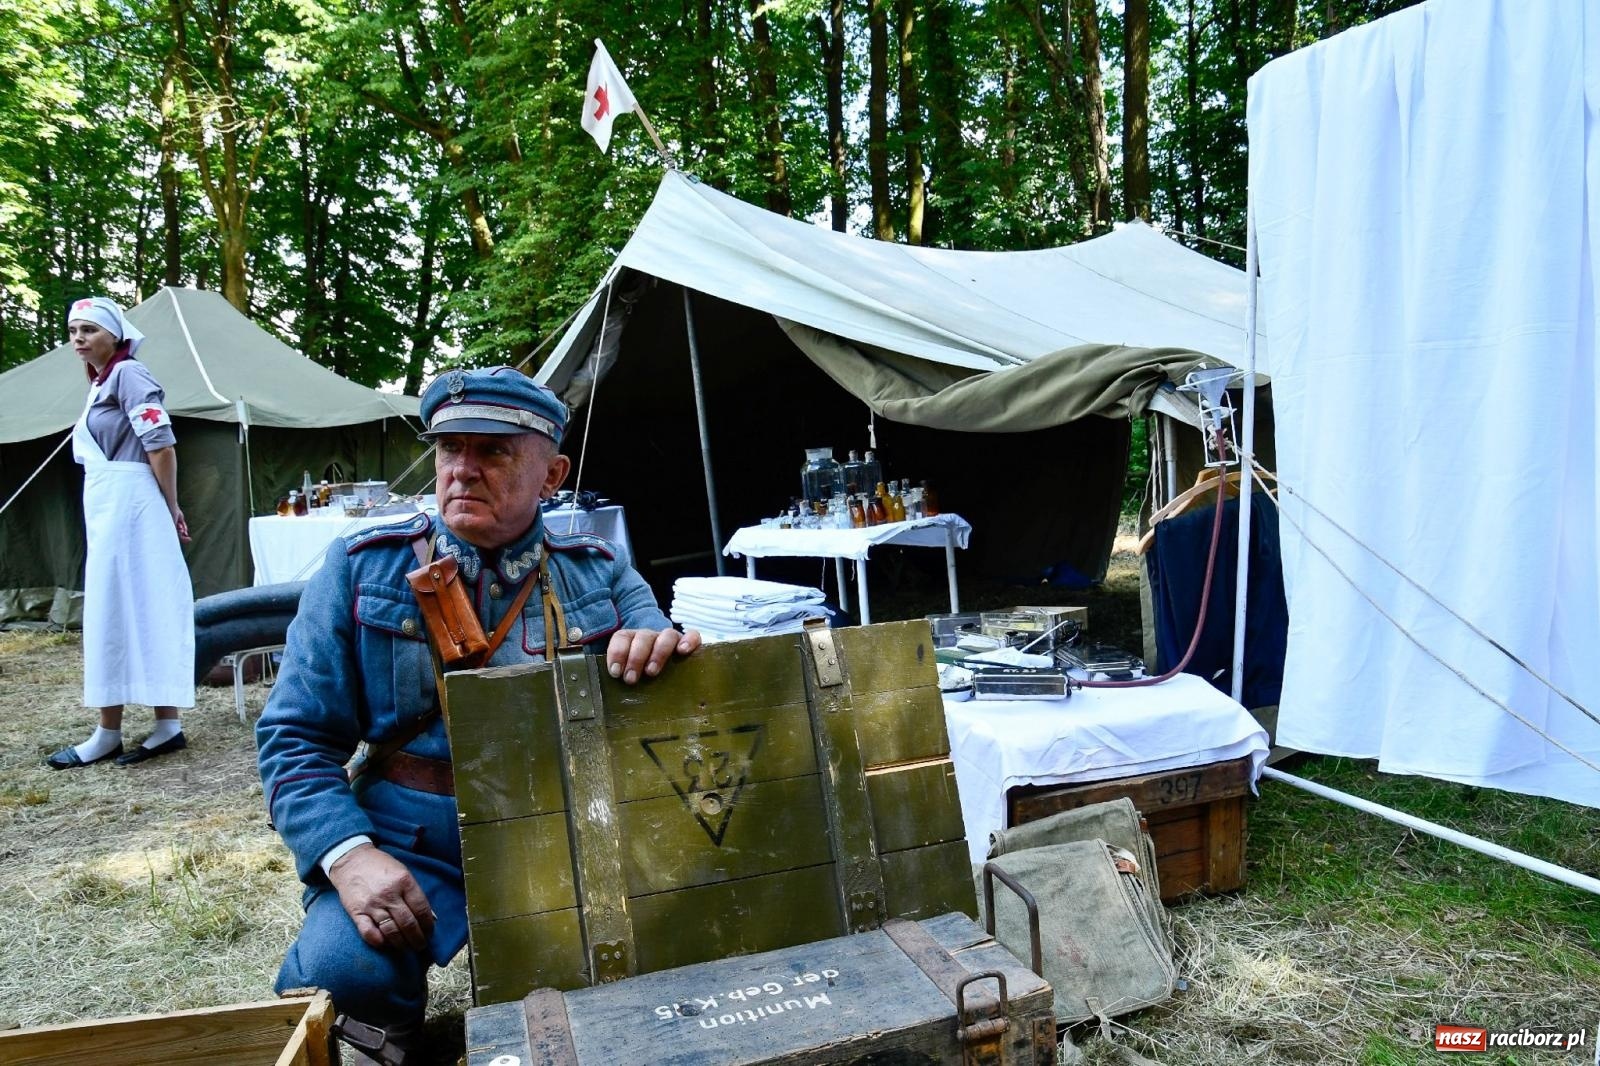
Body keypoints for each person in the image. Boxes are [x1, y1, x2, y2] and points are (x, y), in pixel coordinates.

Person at [256, 367, 699, 1057]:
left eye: (492, 452)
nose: (461, 470)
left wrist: (662, 652)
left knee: (659, 970)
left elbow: (663, 681)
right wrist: (350, 855)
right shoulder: (361, 566)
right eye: (448, 449)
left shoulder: (600, 569)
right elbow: (294, 737)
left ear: (551, 475)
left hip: (564, 829)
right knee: (345, 976)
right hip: (410, 837)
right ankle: (393, 1035)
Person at [47, 297, 194, 770]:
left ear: (115, 334)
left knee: (133, 605)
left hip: (133, 506)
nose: (78, 338)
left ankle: (126, 729)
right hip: (113, 506)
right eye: (73, 330)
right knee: (124, 606)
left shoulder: (129, 374)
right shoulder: (100, 381)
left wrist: (170, 506)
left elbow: (161, 444)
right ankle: (130, 727)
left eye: (89, 329)